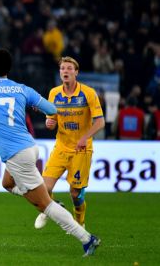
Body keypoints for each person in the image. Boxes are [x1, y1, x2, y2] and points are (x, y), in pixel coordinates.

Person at [0, 48, 100, 256]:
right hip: (30, 148)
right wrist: (34, 106)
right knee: (7, 184)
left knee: (44, 206)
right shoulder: (22, 89)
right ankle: (46, 197)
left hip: (17, 155)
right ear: (8, 69)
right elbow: (52, 109)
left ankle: (87, 238)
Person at [34, 56, 105, 231]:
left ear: (76, 73)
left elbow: (100, 122)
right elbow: (51, 120)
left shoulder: (88, 93)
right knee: (44, 187)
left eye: (69, 68)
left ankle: (79, 222)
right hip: (61, 146)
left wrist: (84, 138)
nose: (65, 71)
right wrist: (49, 123)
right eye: (62, 68)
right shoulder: (54, 93)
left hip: (81, 149)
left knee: (75, 194)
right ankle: (48, 210)